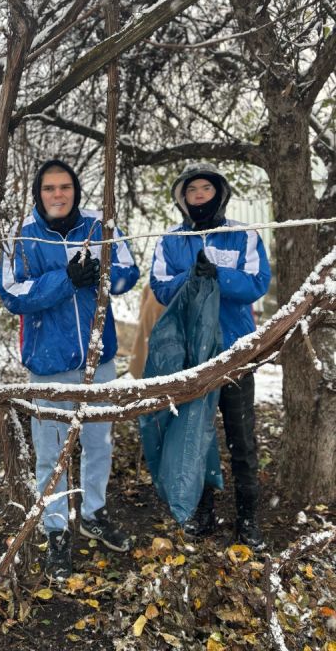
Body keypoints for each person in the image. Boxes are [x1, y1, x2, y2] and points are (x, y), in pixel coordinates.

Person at [0, 159, 139, 579]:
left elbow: (128, 273)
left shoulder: (99, 226)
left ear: (75, 190)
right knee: (53, 452)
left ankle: (94, 511)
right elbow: (14, 294)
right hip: (49, 364)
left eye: (64, 187)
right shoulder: (21, 237)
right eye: (48, 189)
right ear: (38, 194)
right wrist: (65, 279)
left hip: (100, 359)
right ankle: (56, 528)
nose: (57, 195)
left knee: (99, 443)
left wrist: (101, 273)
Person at [150, 161, 271, 549]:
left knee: (241, 438)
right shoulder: (170, 240)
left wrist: (219, 275)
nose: (199, 195)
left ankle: (248, 516)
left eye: (205, 189)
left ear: (218, 193)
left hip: (236, 352)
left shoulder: (242, 235)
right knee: (194, 434)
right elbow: (161, 287)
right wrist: (192, 277)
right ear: (182, 198)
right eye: (191, 190)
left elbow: (257, 283)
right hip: (191, 356)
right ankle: (203, 510)